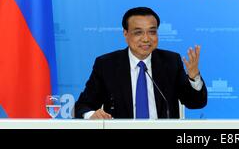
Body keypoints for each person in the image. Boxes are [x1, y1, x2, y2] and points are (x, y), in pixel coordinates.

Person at [74, 7, 207, 119]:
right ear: (126, 34)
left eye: (152, 32)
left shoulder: (171, 62)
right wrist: (92, 115)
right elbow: (82, 106)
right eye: (138, 32)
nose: (146, 39)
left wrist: (194, 76)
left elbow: (196, 103)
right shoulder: (107, 65)